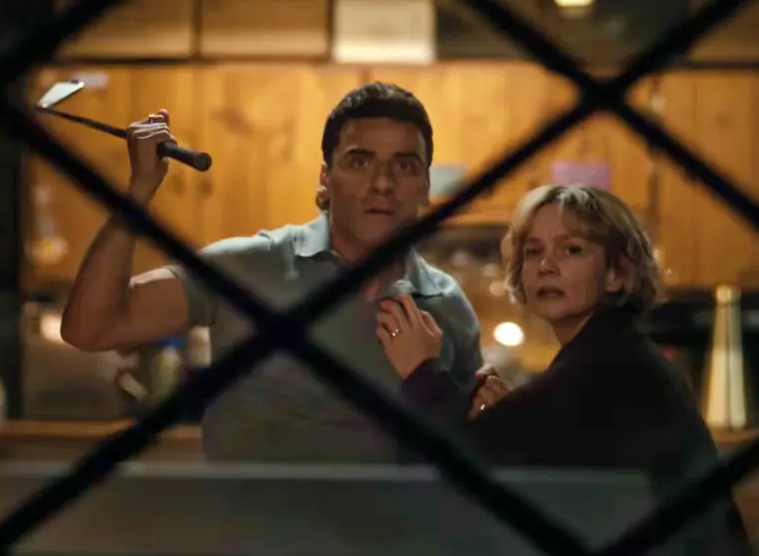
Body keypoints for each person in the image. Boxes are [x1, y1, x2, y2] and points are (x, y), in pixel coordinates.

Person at [60, 82, 509, 462]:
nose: (383, 183)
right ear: (325, 180)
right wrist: (138, 190)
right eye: (360, 161)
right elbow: (90, 328)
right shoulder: (246, 266)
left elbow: (471, 454)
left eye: (404, 166)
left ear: (425, 187)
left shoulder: (448, 305)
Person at [376, 185, 752, 554]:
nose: (546, 265)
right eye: (533, 252)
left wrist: (422, 371)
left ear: (617, 273)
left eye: (571, 250)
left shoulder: (610, 369)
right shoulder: (612, 353)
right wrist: (512, 420)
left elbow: (456, 470)